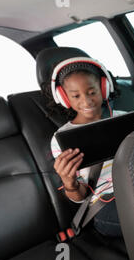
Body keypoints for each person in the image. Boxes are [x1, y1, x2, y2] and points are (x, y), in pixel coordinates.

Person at [45, 57, 125, 237]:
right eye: (76, 96)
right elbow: (80, 197)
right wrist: (68, 181)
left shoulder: (124, 118)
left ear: (104, 88)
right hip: (105, 205)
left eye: (92, 92)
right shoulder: (61, 139)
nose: (87, 101)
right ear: (64, 98)